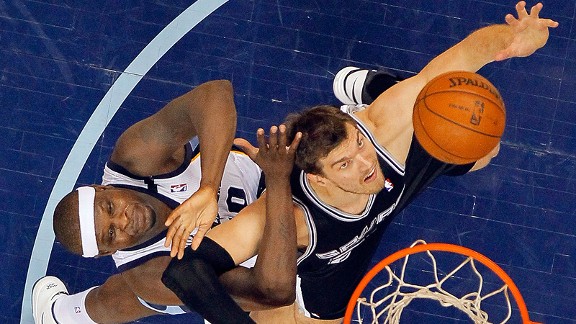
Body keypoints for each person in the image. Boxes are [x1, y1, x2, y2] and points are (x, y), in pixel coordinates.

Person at [161, 2, 559, 323]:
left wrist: (512, 38)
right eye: (344, 165)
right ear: (316, 178)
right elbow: (183, 271)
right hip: (333, 264)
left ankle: (372, 88)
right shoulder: (289, 215)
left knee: (484, 151)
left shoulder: (380, 131)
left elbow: (464, 56)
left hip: (404, 166)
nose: (365, 164)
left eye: (357, 147)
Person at [31, 80, 267, 323]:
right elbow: (256, 294)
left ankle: (61, 315)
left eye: (110, 207)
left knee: (126, 298)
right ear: (109, 252)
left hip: (264, 176)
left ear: (102, 187)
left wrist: (209, 186)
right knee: (132, 298)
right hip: (263, 260)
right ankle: (63, 316)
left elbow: (216, 93)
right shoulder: (148, 277)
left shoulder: (133, 160)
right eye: (111, 234)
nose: (124, 220)